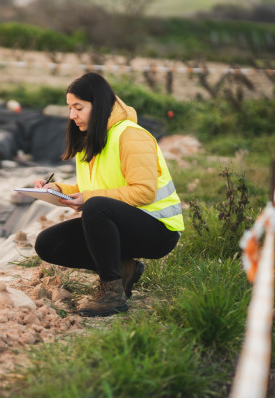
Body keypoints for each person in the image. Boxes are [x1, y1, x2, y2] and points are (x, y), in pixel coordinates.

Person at [33, 72, 184, 317]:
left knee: (96, 206)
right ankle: (124, 269)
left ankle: (112, 293)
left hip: (157, 229)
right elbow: (90, 188)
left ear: (99, 104)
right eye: (70, 108)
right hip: (120, 223)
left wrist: (89, 199)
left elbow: (144, 192)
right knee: (48, 243)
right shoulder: (91, 139)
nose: (72, 116)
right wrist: (57, 189)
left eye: (78, 108)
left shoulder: (130, 135)